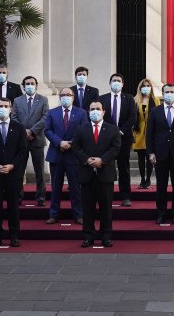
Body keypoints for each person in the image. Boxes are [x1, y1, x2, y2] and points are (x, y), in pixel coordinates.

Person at [71, 101, 122, 247]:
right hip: (87, 174)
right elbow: (75, 147)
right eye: (92, 109)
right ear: (88, 111)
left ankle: (106, 236)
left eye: (98, 109)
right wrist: (87, 160)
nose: (95, 111)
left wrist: (102, 160)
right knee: (88, 208)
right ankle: (88, 236)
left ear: (104, 112)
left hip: (105, 174)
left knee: (106, 208)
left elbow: (115, 148)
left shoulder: (113, 129)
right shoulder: (81, 129)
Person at [0, 98, 29, 247]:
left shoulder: (19, 127)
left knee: (13, 206)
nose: (2, 108)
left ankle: (14, 235)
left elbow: (23, 150)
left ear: (10, 109)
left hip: (13, 173)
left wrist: (12, 165)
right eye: (0, 106)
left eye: (5, 106)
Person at [147, 83, 174, 225]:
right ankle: (161, 213)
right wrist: (150, 152)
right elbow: (149, 133)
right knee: (161, 186)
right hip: (160, 154)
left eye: (171, 91)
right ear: (163, 93)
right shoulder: (155, 111)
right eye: (167, 91)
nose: (169, 94)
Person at [44, 88, 85, 224]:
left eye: (68, 95)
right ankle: (53, 214)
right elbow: (47, 130)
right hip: (56, 154)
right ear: (59, 97)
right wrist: (59, 142)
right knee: (55, 188)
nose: (65, 97)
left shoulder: (81, 113)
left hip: (74, 156)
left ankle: (78, 215)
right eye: (63, 95)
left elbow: (83, 130)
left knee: (75, 187)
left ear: (73, 97)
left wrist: (71, 143)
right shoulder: (52, 112)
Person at [99, 73, 138, 207]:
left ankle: (125, 196)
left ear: (122, 84)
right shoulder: (102, 98)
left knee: (124, 168)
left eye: (118, 81)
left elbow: (132, 117)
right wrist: (111, 132)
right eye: (114, 80)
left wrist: (121, 131)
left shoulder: (129, 98)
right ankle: (105, 196)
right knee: (105, 168)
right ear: (109, 83)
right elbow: (99, 117)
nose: (116, 83)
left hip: (124, 138)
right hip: (106, 139)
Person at [11, 76, 49, 206]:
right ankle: (18, 197)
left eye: (32, 83)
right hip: (21, 141)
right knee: (19, 171)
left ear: (36, 85)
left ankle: (40, 197)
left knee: (40, 171)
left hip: (37, 139)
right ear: (23, 86)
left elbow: (45, 117)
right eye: (27, 84)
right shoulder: (17, 100)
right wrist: (24, 132)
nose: (30, 85)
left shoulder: (43, 100)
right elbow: (14, 118)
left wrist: (32, 131)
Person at [132, 78, 158, 189]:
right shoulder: (135, 100)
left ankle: (148, 180)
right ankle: (142, 179)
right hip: (139, 131)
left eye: (148, 85)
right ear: (140, 88)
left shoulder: (155, 100)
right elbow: (133, 118)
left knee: (150, 157)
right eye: (144, 86)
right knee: (141, 157)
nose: (146, 88)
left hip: (151, 131)